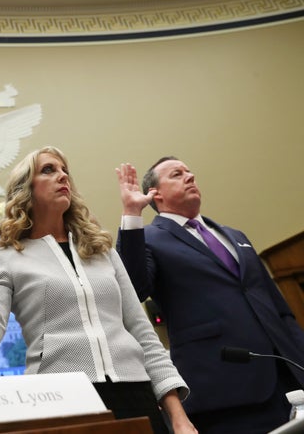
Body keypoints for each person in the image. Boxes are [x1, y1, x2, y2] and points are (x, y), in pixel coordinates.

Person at [0, 146, 197, 434]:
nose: (62, 175)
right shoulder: (7, 257)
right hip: (60, 398)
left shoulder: (101, 250)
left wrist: (179, 416)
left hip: (136, 393)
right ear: (25, 189)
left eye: (65, 170)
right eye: (49, 170)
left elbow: (142, 333)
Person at [116, 158, 304, 433]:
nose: (190, 177)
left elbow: (280, 310)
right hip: (225, 391)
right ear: (156, 194)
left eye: (190, 172)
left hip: (287, 381)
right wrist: (132, 213)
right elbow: (133, 289)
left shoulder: (234, 235)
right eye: (177, 174)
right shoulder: (149, 238)